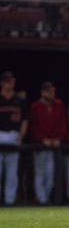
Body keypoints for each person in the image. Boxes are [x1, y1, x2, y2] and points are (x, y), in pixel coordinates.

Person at [29, 81, 66, 205]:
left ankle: (46, 199)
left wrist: (58, 139)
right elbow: (33, 126)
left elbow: (62, 124)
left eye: (53, 91)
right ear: (43, 92)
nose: (52, 93)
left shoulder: (58, 105)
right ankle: (41, 200)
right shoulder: (35, 106)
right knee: (40, 173)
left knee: (50, 176)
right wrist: (41, 139)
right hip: (40, 145)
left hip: (53, 145)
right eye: (49, 91)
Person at [0, 71, 27, 205]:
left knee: (12, 173)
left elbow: (24, 121)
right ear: (2, 83)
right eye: (6, 81)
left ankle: (9, 201)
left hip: (13, 135)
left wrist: (20, 137)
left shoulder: (19, 100)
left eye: (10, 81)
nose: (8, 83)